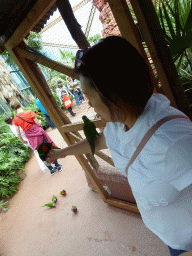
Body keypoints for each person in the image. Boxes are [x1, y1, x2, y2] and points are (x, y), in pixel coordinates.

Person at [46, 36, 192, 255]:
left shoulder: (174, 143)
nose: (88, 104)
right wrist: (62, 152)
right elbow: (102, 140)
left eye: (88, 96)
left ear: (113, 95)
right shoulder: (122, 120)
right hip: (172, 235)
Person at [10, 101, 62, 176]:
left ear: (14, 109)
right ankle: (57, 166)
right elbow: (38, 123)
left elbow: (18, 132)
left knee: (40, 152)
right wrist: (40, 121)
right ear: (20, 105)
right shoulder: (29, 112)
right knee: (49, 148)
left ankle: (51, 169)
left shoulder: (15, 119)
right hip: (39, 133)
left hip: (30, 137)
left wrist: (22, 140)